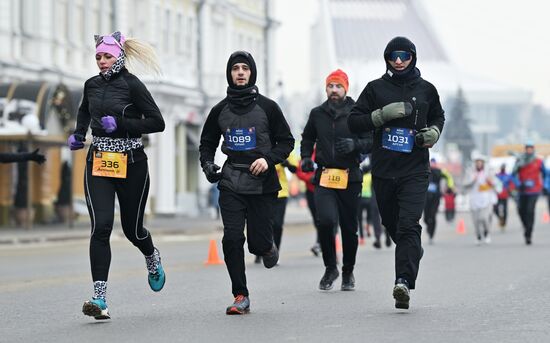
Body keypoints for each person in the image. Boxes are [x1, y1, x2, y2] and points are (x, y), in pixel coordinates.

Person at [69, 31, 166, 320]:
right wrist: (78, 134)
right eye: (98, 56)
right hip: (99, 160)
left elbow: (157, 122)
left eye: (107, 56)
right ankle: (99, 299)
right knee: (101, 227)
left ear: (119, 56)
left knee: (132, 230)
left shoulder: (133, 85)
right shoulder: (91, 85)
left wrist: (121, 123)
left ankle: (151, 255)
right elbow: (84, 112)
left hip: (132, 162)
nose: (101, 61)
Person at [348, 36, 445, 309]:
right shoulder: (374, 89)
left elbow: (439, 116)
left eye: (404, 55)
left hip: (415, 169)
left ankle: (403, 281)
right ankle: (412, 251)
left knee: (409, 225)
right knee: (394, 226)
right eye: (394, 56)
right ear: (387, 59)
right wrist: (380, 116)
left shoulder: (427, 89)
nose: (399, 61)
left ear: (413, 57)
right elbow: (354, 121)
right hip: (384, 170)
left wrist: (434, 132)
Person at [199, 51, 294, 314]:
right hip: (231, 181)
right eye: (235, 68)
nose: (240, 72)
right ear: (229, 74)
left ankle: (267, 245)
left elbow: (287, 142)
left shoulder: (268, 107)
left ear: (252, 73)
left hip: (262, 184)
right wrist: (208, 165)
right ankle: (240, 294)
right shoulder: (220, 110)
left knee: (257, 244)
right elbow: (207, 143)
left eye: (245, 68)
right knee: (231, 239)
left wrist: (268, 159)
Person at [300, 69, 372, 291]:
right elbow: (307, 138)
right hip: (324, 176)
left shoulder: (357, 112)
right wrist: (305, 158)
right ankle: (331, 267)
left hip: (350, 177)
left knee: (349, 228)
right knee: (327, 221)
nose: (334, 90)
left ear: (345, 89)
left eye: (338, 86)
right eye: (330, 86)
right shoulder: (317, 113)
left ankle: (348, 271)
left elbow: (370, 140)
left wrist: (355, 145)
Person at [254, 158, 297, 264]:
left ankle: (274, 253)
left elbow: (295, 169)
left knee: (277, 225)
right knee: (262, 224)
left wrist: (286, 163)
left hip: (281, 193)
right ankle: (260, 250)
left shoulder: (283, 147)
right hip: (262, 193)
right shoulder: (262, 146)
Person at [512, 141, 546, 245]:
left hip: (534, 190)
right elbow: (513, 175)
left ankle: (529, 233)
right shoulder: (520, 161)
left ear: (533, 149)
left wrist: (544, 185)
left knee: (530, 211)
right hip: (522, 190)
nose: (529, 150)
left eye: (531, 148)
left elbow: (545, 174)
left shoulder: (539, 161)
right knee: (521, 210)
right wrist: (518, 184)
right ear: (525, 149)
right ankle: (525, 226)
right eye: (527, 148)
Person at [295, 150, 322, 256]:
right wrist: (309, 178)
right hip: (311, 191)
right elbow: (299, 170)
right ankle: (320, 242)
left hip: (325, 189)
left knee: (324, 218)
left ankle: (320, 243)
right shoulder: (308, 153)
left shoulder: (325, 150)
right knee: (316, 219)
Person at [465, 155, 496, 245]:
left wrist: (490, 182)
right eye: (477, 162)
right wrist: (472, 180)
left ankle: (486, 233)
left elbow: (495, 184)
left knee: (484, 218)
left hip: (486, 199)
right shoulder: (470, 172)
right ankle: (478, 236)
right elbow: (465, 184)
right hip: (474, 198)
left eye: (480, 162)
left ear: (483, 163)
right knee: (476, 220)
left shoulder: (488, 173)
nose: (479, 164)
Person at [423, 158, 454, 244]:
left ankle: (431, 235)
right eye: (431, 163)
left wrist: (450, 187)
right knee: (426, 218)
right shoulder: (424, 170)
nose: (432, 165)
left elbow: (449, 177)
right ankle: (428, 227)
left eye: (434, 163)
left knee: (432, 215)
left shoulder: (440, 171)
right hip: (425, 197)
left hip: (436, 197)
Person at [494, 163, 515, 229]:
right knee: (495, 209)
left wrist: (510, 189)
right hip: (497, 195)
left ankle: (504, 222)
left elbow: (512, 184)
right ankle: (500, 218)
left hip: (505, 195)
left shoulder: (508, 176)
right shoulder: (497, 176)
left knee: (505, 210)